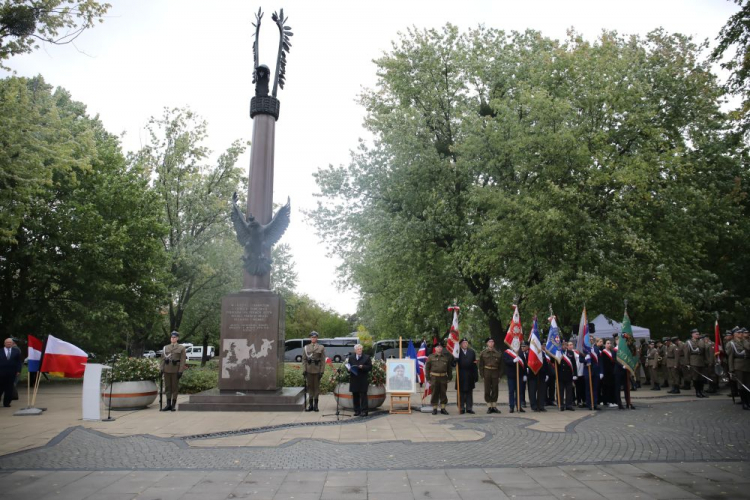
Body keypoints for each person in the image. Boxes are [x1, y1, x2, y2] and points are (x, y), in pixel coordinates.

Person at [160, 331, 187, 412]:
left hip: (175, 370)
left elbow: (183, 360)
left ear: (177, 338)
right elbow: (162, 359)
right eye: (172, 337)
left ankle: (173, 405)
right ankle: (168, 404)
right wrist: (161, 369)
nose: (173, 338)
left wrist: (180, 371)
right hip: (167, 369)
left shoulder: (181, 348)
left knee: (174, 388)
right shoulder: (166, 347)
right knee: (168, 387)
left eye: (174, 337)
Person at [425, 342, 452, 415]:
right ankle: (434, 408)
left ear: (442, 348)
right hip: (434, 377)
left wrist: (449, 377)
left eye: (440, 347)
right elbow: (427, 368)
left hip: (443, 377)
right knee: (434, 393)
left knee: (443, 393)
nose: (439, 348)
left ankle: (443, 408)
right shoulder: (431, 357)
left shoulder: (446, 357)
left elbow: (449, 368)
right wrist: (428, 378)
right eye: (438, 347)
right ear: (435, 348)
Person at [302, 331, 326, 412]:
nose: (313, 338)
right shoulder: (306, 347)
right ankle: (311, 405)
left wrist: (322, 371)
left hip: (317, 370)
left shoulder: (321, 347)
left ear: (317, 338)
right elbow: (304, 360)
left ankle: (316, 405)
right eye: (312, 337)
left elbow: (323, 360)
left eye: (315, 337)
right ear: (310, 338)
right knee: (310, 387)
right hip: (308, 370)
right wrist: (304, 370)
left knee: (316, 387)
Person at [683, 329, 709, 398]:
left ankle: (701, 391)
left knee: (701, 378)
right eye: (696, 334)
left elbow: (704, 349)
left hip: (701, 361)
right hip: (693, 361)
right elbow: (686, 353)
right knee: (695, 377)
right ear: (692, 334)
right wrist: (687, 363)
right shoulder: (688, 342)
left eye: (698, 334)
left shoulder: (701, 341)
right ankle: (697, 391)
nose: (698, 335)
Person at [728, 328, 750, 410]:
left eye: (741, 332)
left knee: (748, 384)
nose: (741, 333)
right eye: (739, 332)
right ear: (734, 334)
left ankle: (748, 402)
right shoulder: (731, 344)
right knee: (741, 385)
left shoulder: (745, 341)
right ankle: (744, 403)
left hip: (747, 365)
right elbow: (730, 358)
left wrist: (744, 341)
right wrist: (731, 369)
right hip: (738, 366)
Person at [347, 344, 372, 416]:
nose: (359, 350)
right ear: (355, 350)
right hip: (354, 378)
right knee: (355, 395)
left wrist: (363, 367)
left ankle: (364, 411)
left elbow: (370, 367)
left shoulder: (367, 357)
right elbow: (349, 366)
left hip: (363, 378)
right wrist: (348, 369)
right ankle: (357, 410)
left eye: (360, 349)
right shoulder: (351, 357)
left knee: (363, 395)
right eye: (358, 349)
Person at [480, 338, 503, 413]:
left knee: (495, 389)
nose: (491, 343)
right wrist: (482, 375)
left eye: (492, 341)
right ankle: (489, 406)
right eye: (489, 342)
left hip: (495, 372)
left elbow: (501, 366)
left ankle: (494, 406)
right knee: (487, 389)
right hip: (487, 371)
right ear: (487, 343)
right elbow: (481, 365)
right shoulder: (483, 353)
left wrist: (500, 376)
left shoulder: (498, 353)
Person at [455, 338, 477, 414]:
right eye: (464, 343)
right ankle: (461, 407)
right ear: (460, 344)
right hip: (460, 374)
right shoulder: (457, 352)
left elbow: (474, 365)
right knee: (461, 392)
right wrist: (454, 360)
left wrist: (475, 375)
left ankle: (469, 408)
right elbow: (452, 363)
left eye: (466, 343)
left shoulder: (472, 352)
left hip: (469, 374)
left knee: (469, 392)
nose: (465, 344)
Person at [501, 343, 524, 414]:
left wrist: (525, 374)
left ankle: (519, 406)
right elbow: (506, 361)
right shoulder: (506, 352)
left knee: (519, 391)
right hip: (511, 375)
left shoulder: (520, 352)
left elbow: (524, 363)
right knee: (511, 391)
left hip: (519, 375)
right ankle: (511, 406)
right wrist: (513, 361)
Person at [1, 338, 22, 408]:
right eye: (7, 343)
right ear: (4, 343)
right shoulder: (0, 351)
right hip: (1, 373)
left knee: (9, 388)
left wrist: (19, 370)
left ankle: (6, 403)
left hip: (12, 373)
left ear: (12, 344)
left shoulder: (16, 351)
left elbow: (19, 362)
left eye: (10, 343)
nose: (9, 344)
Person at [527, 347, 547, 412]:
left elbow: (546, 364)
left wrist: (547, 374)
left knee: (541, 391)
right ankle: (534, 406)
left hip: (542, 375)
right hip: (532, 375)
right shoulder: (530, 353)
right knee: (532, 391)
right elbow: (527, 363)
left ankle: (541, 405)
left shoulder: (543, 354)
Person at [558, 341, 577, 411]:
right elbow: (554, 363)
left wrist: (575, 374)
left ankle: (569, 405)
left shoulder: (570, 353)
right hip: (560, 375)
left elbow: (574, 364)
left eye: (565, 345)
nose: (564, 346)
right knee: (561, 391)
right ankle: (561, 405)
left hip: (569, 375)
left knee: (569, 391)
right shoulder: (558, 353)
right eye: (563, 345)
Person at [600, 339, 617, 407]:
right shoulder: (603, 353)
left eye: (610, 343)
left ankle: (610, 400)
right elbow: (603, 364)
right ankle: (607, 401)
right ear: (605, 344)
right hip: (606, 373)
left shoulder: (611, 352)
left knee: (611, 387)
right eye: (607, 343)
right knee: (606, 387)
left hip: (612, 372)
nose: (609, 344)